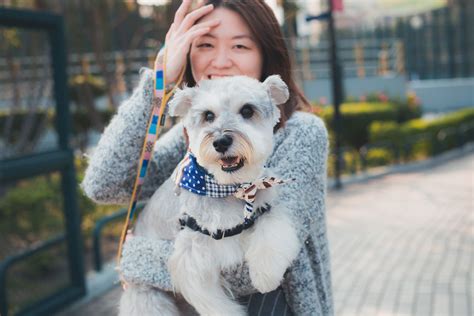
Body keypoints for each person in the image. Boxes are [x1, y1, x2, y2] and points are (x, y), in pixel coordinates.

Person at [81, 0, 333, 315]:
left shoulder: (301, 134)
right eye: (205, 44)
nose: (221, 60)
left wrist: (138, 258)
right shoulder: (189, 141)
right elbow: (104, 185)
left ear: (265, 55)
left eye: (240, 45)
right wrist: (157, 83)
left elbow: (250, 273)